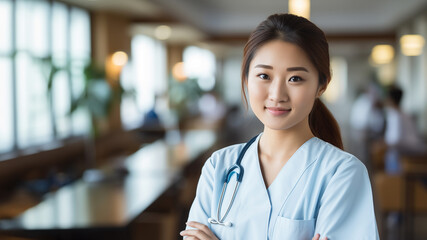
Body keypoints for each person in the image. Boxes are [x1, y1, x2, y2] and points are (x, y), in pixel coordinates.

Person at [180, 13, 379, 240]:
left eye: (295, 78)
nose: (277, 95)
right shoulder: (219, 168)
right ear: (246, 79)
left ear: (322, 85)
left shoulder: (341, 173)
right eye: (264, 75)